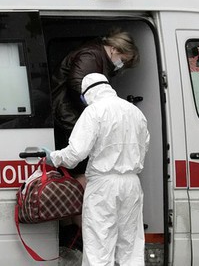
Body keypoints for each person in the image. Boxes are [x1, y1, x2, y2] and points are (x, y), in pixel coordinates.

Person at [44, 73, 150, 266]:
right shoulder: (135, 112)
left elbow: (76, 153)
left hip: (103, 185)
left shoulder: (94, 111)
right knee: (131, 247)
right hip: (132, 183)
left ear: (87, 93)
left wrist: (55, 157)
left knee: (99, 246)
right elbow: (144, 145)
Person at [50, 28, 140, 241]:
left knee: (78, 178)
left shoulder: (95, 56)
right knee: (84, 180)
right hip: (69, 119)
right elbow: (78, 84)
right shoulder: (92, 55)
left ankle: (74, 235)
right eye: (123, 60)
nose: (122, 66)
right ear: (115, 49)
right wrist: (99, 114)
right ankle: (82, 237)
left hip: (69, 118)